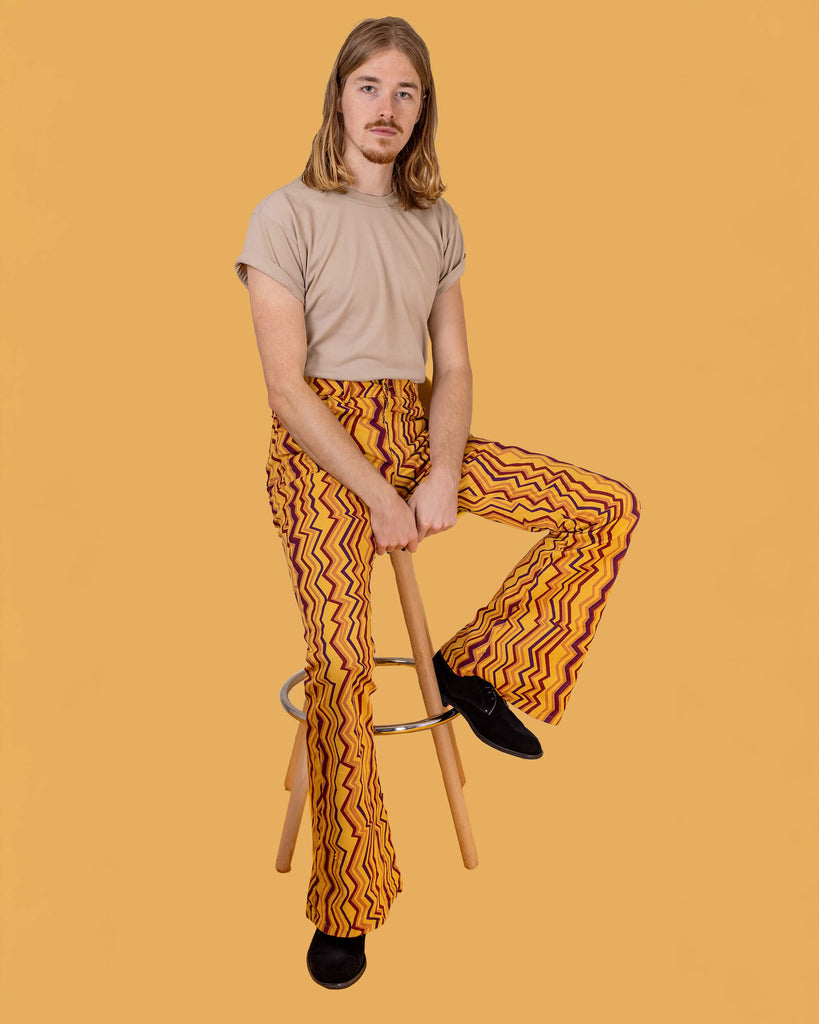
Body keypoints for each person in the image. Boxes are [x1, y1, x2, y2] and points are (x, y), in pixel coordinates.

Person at [234, 16, 641, 990]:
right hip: (320, 454)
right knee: (339, 672)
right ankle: (349, 902)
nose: (388, 107)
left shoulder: (437, 220)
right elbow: (286, 389)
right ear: (338, 97)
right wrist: (377, 491)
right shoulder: (282, 215)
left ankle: (475, 665)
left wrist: (443, 470)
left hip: (418, 428)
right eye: (370, 87)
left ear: (423, 112)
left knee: (606, 507)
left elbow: (453, 362)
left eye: (406, 92)